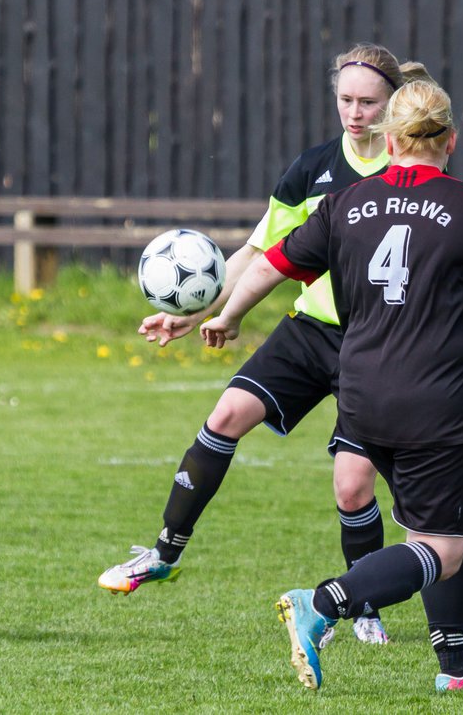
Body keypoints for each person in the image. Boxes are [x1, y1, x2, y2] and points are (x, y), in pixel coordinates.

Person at [199, 79, 463, 692]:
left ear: (389, 137)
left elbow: (273, 264)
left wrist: (227, 316)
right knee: (446, 544)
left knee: (431, 527)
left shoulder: (345, 203)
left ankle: (456, 670)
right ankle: (322, 602)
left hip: (359, 395)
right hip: (435, 400)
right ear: (450, 139)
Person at [98, 43, 429, 646]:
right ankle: (163, 555)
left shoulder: (412, 173)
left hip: (377, 342)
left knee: (353, 485)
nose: (355, 114)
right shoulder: (312, 169)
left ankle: (362, 606)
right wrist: (197, 310)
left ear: (394, 103)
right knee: (225, 415)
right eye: (345, 100)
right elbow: (257, 251)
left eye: (369, 103)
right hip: (311, 329)